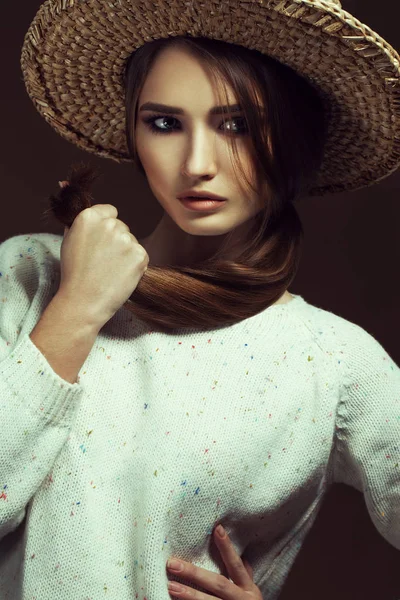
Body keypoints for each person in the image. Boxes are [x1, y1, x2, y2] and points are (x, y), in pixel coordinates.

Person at [1, 1, 399, 599]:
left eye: (237, 124)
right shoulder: (29, 271)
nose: (196, 164)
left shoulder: (331, 361)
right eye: (165, 123)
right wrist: (77, 309)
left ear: (293, 136)